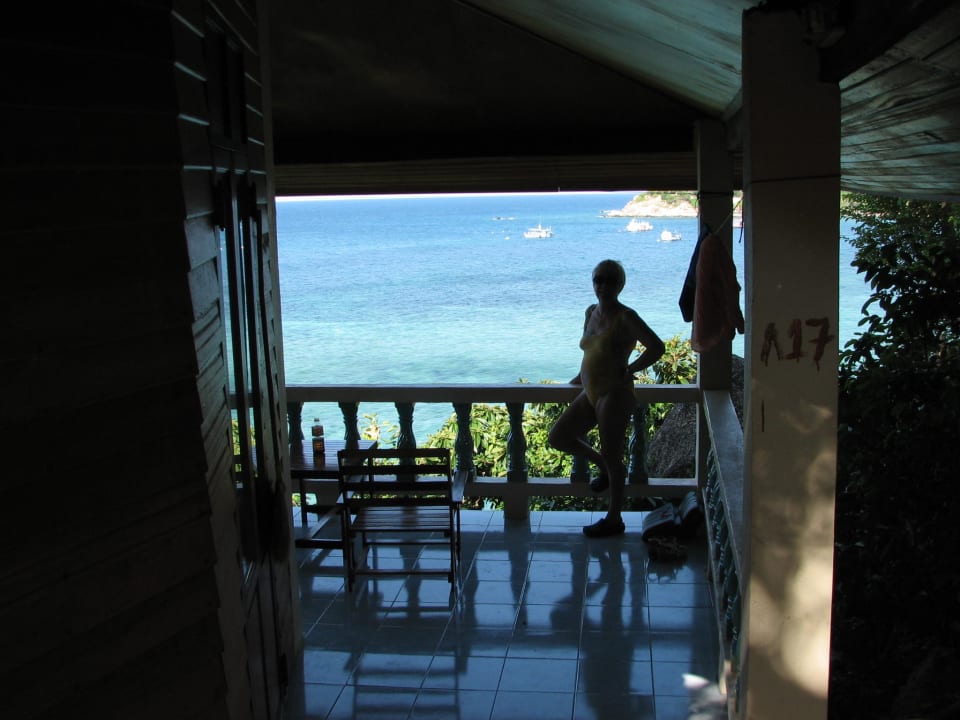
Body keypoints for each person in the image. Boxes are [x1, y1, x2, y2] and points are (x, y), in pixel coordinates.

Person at [548, 259, 665, 537]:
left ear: (620, 284)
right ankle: (599, 464)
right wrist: (578, 379)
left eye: (610, 280)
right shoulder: (590, 312)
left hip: (615, 392)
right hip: (590, 391)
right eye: (598, 279)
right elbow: (590, 352)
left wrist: (631, 369)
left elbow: (657, 347)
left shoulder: (626, 317)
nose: (603, 285)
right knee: (558, 437)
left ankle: (614, 518)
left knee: (614, 456)